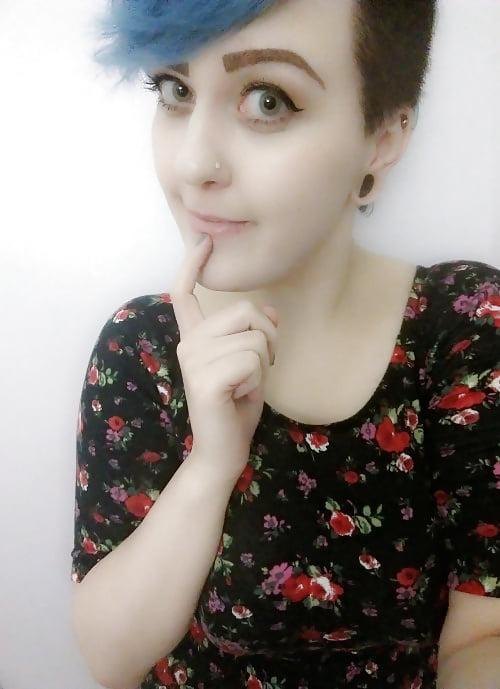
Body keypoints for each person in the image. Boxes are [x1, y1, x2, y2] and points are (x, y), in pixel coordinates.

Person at [71, 2, 500, 688]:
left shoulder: (464, 327)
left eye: (267, 100)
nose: (193, 164)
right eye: (175, 90)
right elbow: (109, 659)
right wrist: (212, 465)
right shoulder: (141, 346)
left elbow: (485, 634)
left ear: (383, 138)